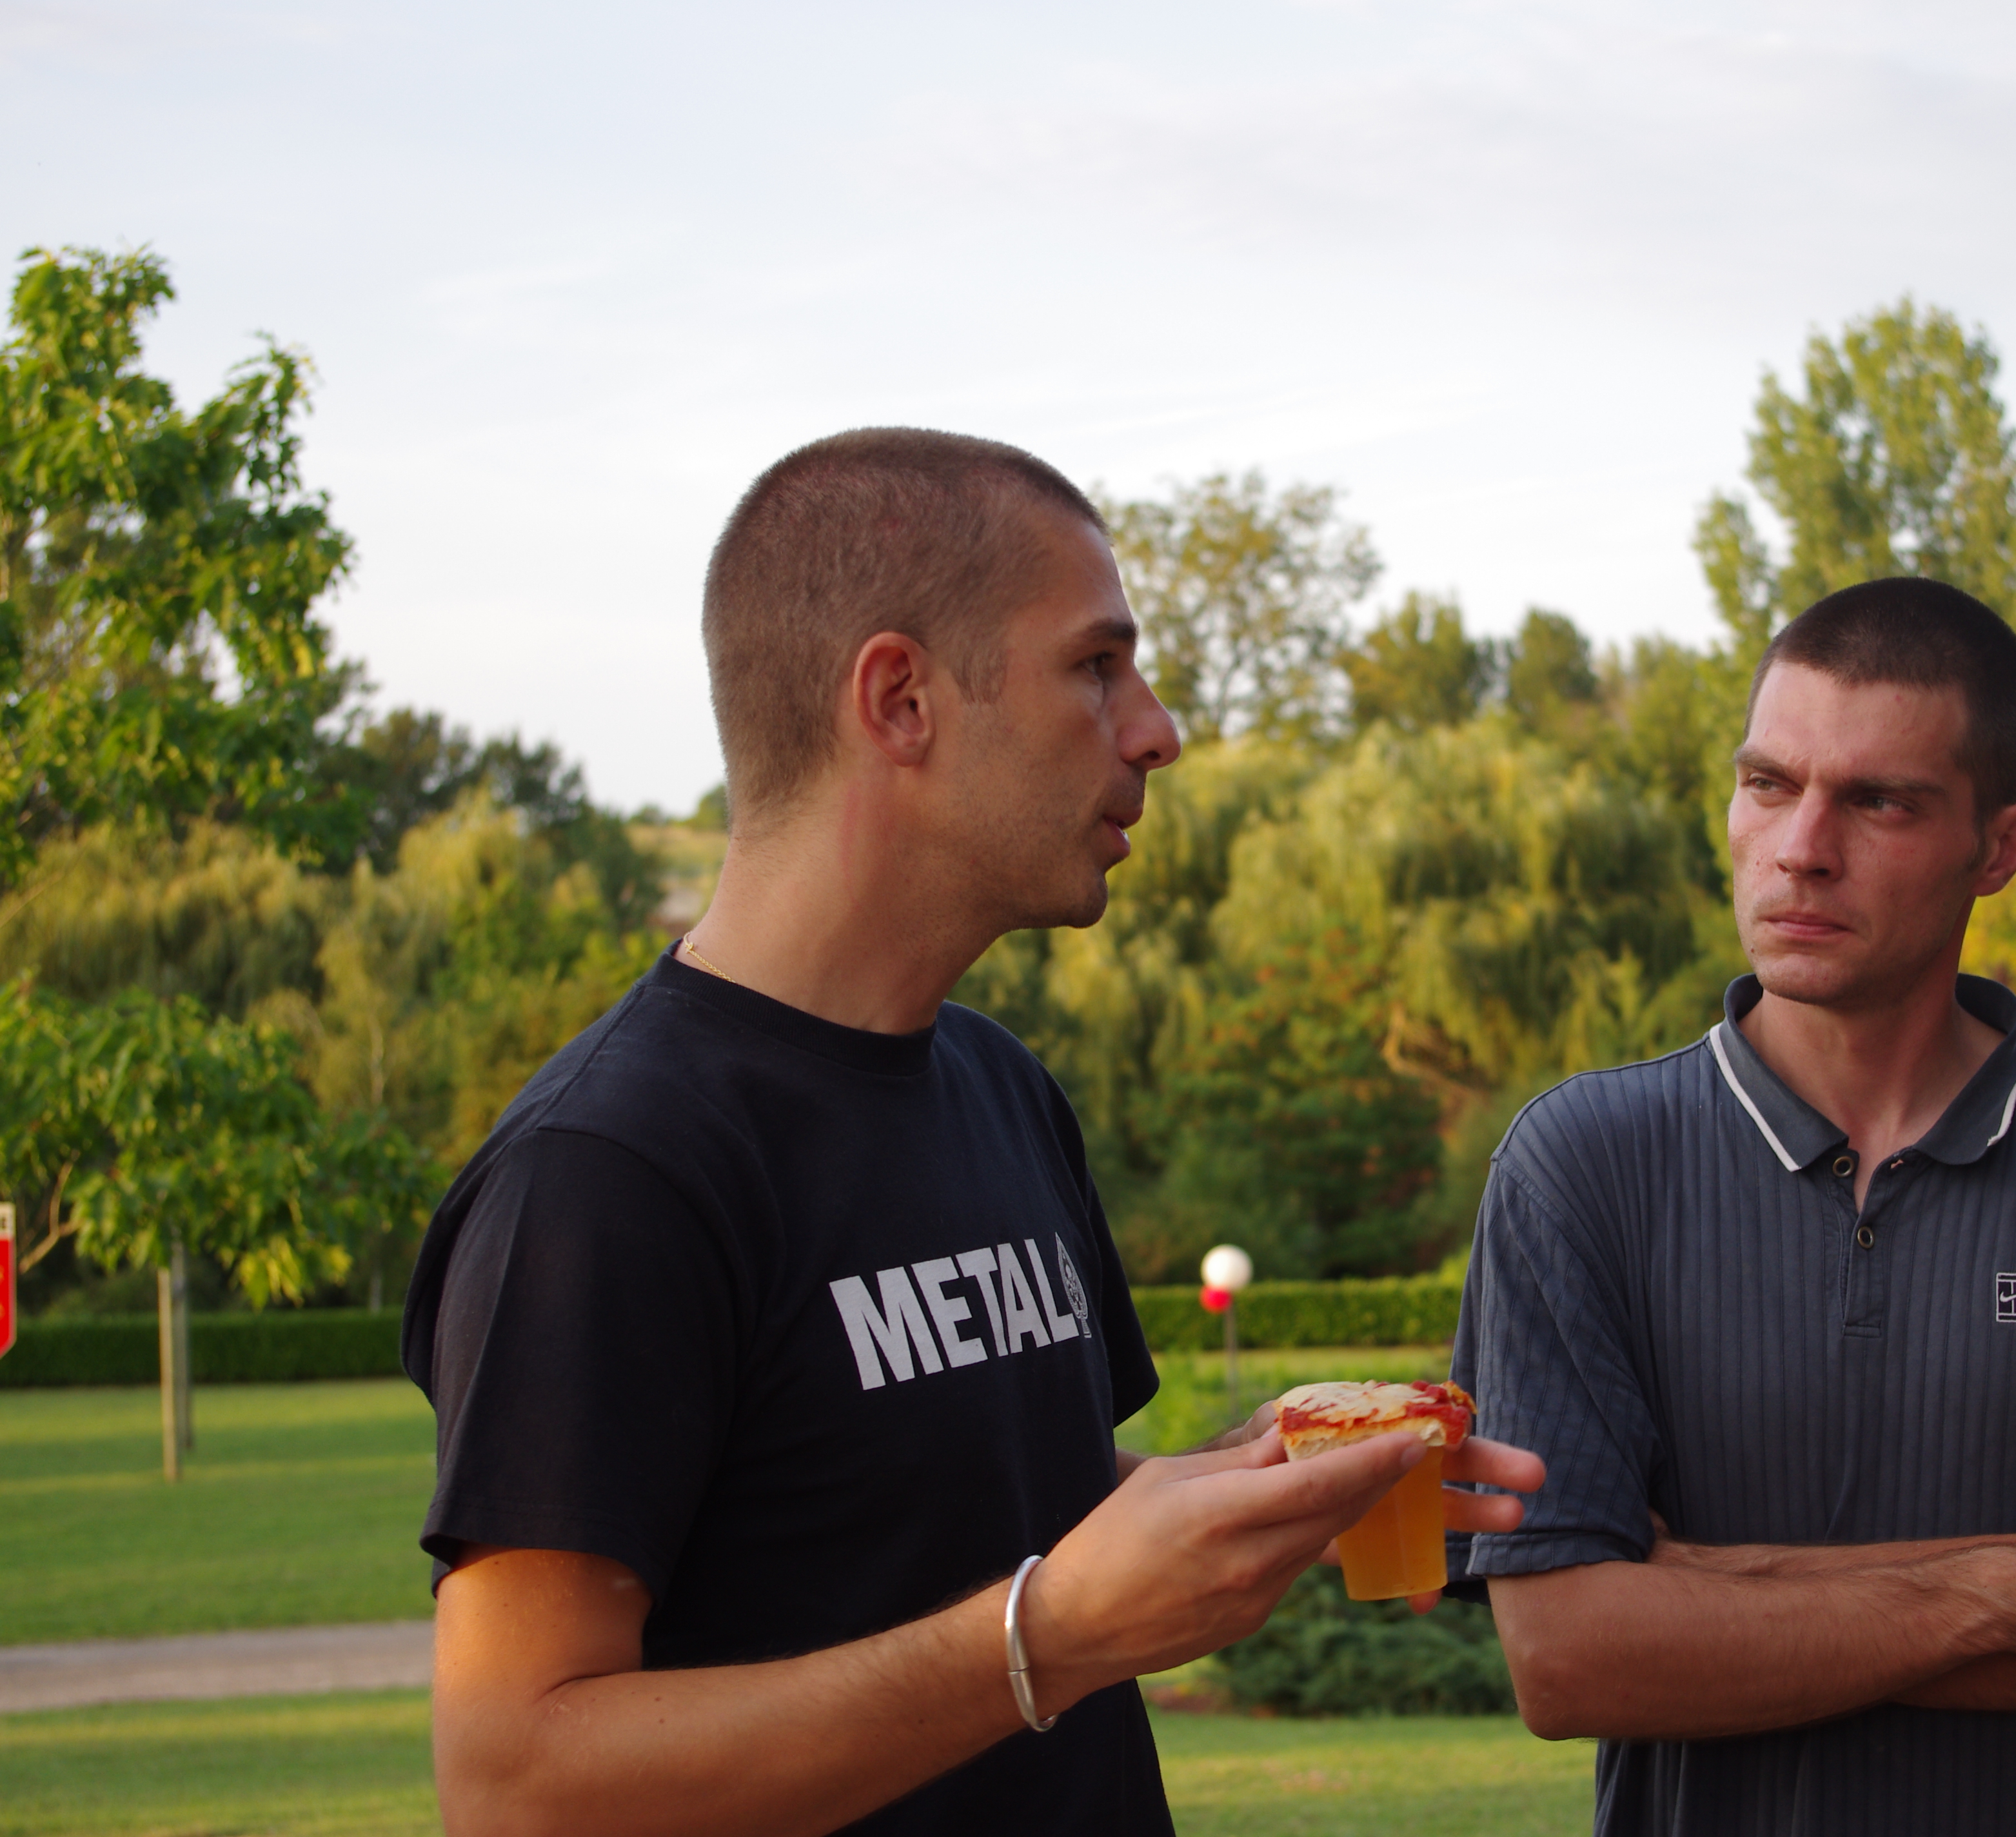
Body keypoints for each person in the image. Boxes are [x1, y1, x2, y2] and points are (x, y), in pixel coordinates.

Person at [404, 428, 1543, 1837]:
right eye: (1095, 665)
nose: (1156, 730)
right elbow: (515, 1780)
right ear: (901, 700)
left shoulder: (1001, 1088)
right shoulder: (607, 1175)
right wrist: (1043, 1639)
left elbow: (984, 1507)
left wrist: (1258, 1483)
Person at [1450, 577, 2016, 1834]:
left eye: (1879, 801)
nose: (1801, 846)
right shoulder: (1579, 1161)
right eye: (1768, 783)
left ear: (2003, 846)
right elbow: (1570, 1660)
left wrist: (1688, 1583)